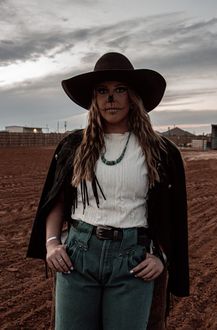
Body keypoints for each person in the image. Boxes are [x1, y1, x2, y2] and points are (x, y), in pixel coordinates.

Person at [27, 52, 189, 330]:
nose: (110, 98)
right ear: (94, 99)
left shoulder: (161, 150)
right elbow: (57, 198)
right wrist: (52, 242)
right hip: (78, 254)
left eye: (120, 90)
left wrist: (160, 255)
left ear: (133, 96)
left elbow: (172, 212)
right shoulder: (73, 146)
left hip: (133, 260)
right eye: (102, 91)